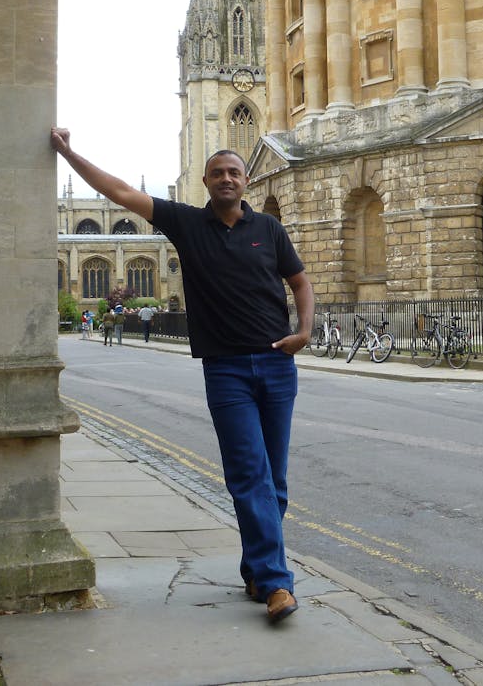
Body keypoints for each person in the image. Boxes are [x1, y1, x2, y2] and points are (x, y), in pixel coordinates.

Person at [50, 127, 313, 623]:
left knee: (274, 482)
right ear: (206, 182)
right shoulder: (186, 224)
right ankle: (278, 584)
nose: (227, 178)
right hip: (227, 369)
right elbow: (120, 193)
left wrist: (305, 330)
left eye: (234, 171)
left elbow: (299, 280)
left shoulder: (269, 230)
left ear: (247, 179)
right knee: (249, 476)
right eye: (218, 173)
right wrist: (68, 152)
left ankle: (256, 569)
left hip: (278, 365)